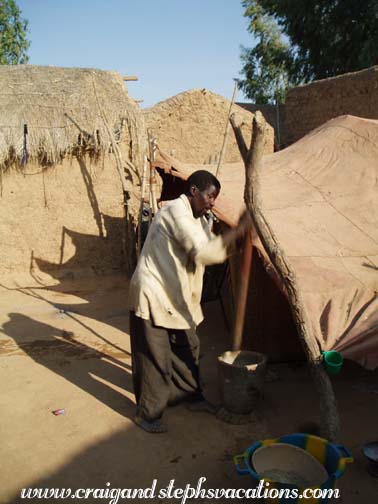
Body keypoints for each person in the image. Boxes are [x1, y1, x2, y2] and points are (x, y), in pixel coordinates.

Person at [128, 170, 251, 433]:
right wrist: (238, 234)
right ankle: (148, 414)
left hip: (176, 297)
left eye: (215, 198)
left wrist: (236, 239)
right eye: (209, 196)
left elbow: (209, 249)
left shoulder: (198, 220)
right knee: (155, 358)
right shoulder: (176, 212)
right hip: (154, 293)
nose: (212, 202)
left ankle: (190, 396)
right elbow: (204, 252)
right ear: (194, 191)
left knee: (188, 347)